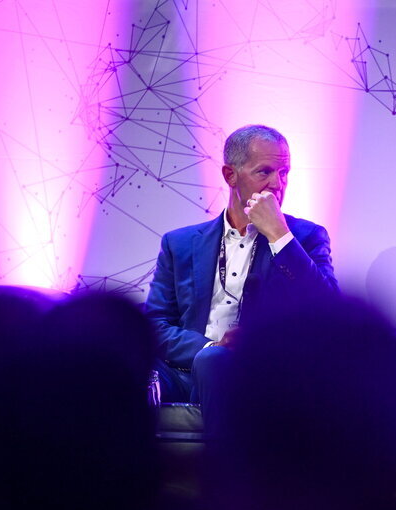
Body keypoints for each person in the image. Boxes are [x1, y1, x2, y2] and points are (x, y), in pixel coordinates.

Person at [144, 124, 338, 422]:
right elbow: (155, 323)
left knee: (215, 362)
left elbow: (328, 312)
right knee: (120, 367)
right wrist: (208, 347)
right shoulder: (179, 243)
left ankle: (226, 466)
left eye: (284, 172)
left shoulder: (304, 236)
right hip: (184, 370)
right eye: (265, 172)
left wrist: (279, 237)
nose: (277, 183)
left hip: (259, 374)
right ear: (230, 175)